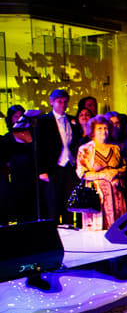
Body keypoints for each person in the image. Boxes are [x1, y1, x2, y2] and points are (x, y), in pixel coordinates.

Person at [36, 88, 82, 224]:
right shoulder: (43, 121)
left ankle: (69, 227)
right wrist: (42, 170)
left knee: (69, 201)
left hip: (70, 166)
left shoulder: (72, 120)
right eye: (59, 101)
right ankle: (54, 230)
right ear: (52, 102)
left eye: (65, 102)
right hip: (53, 166)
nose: (63, 104)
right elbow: (40, 147)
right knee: (53, 203)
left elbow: (75, 142)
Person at [75, 115, 127, 231]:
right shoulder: (85, 149)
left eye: (106, 128)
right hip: (96, 194)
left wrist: (115, 172)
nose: (103, 131)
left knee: (118, 228)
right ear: (92, 131)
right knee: (98, 229)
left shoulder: (115, 148)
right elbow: (81, 172)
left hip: (116, 192)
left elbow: (124, 168)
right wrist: (102, 175)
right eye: (99, 128)